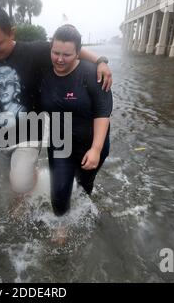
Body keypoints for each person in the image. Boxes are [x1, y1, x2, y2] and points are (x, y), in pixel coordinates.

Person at [0, 6, 112, 212]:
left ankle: (31, 183)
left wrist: (100, 61)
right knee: (9, 178)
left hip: (30, 132)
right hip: (0, 135)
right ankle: (21, 197)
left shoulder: (34, 51)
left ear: (12, 33)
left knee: (23, 182)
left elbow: (69, 49)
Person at [39, 25, 112, 242]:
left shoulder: (92, 74)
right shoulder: (44, 70)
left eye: (67, 54)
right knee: (59, 189)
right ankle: (61, 225)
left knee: (84, 186)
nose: (59, 59)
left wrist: (96, 149)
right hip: (60, 143)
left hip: (92, 144)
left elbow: (102, 113)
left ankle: (84, 205)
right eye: (55, 52)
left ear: (78, 53)